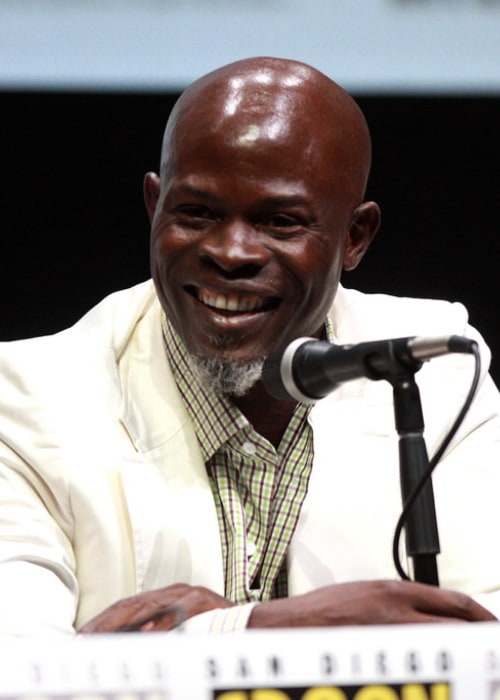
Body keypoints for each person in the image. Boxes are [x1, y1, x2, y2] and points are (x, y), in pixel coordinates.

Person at [1, 57, 500, 637]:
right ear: (153, 207)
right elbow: (20, 669)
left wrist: (213, 630)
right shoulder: (27, 398)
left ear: (355, 237)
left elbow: (486, 635)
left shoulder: (433, 368)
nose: (231, 252)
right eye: (196, 213)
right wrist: (266, 628)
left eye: (280, 222)